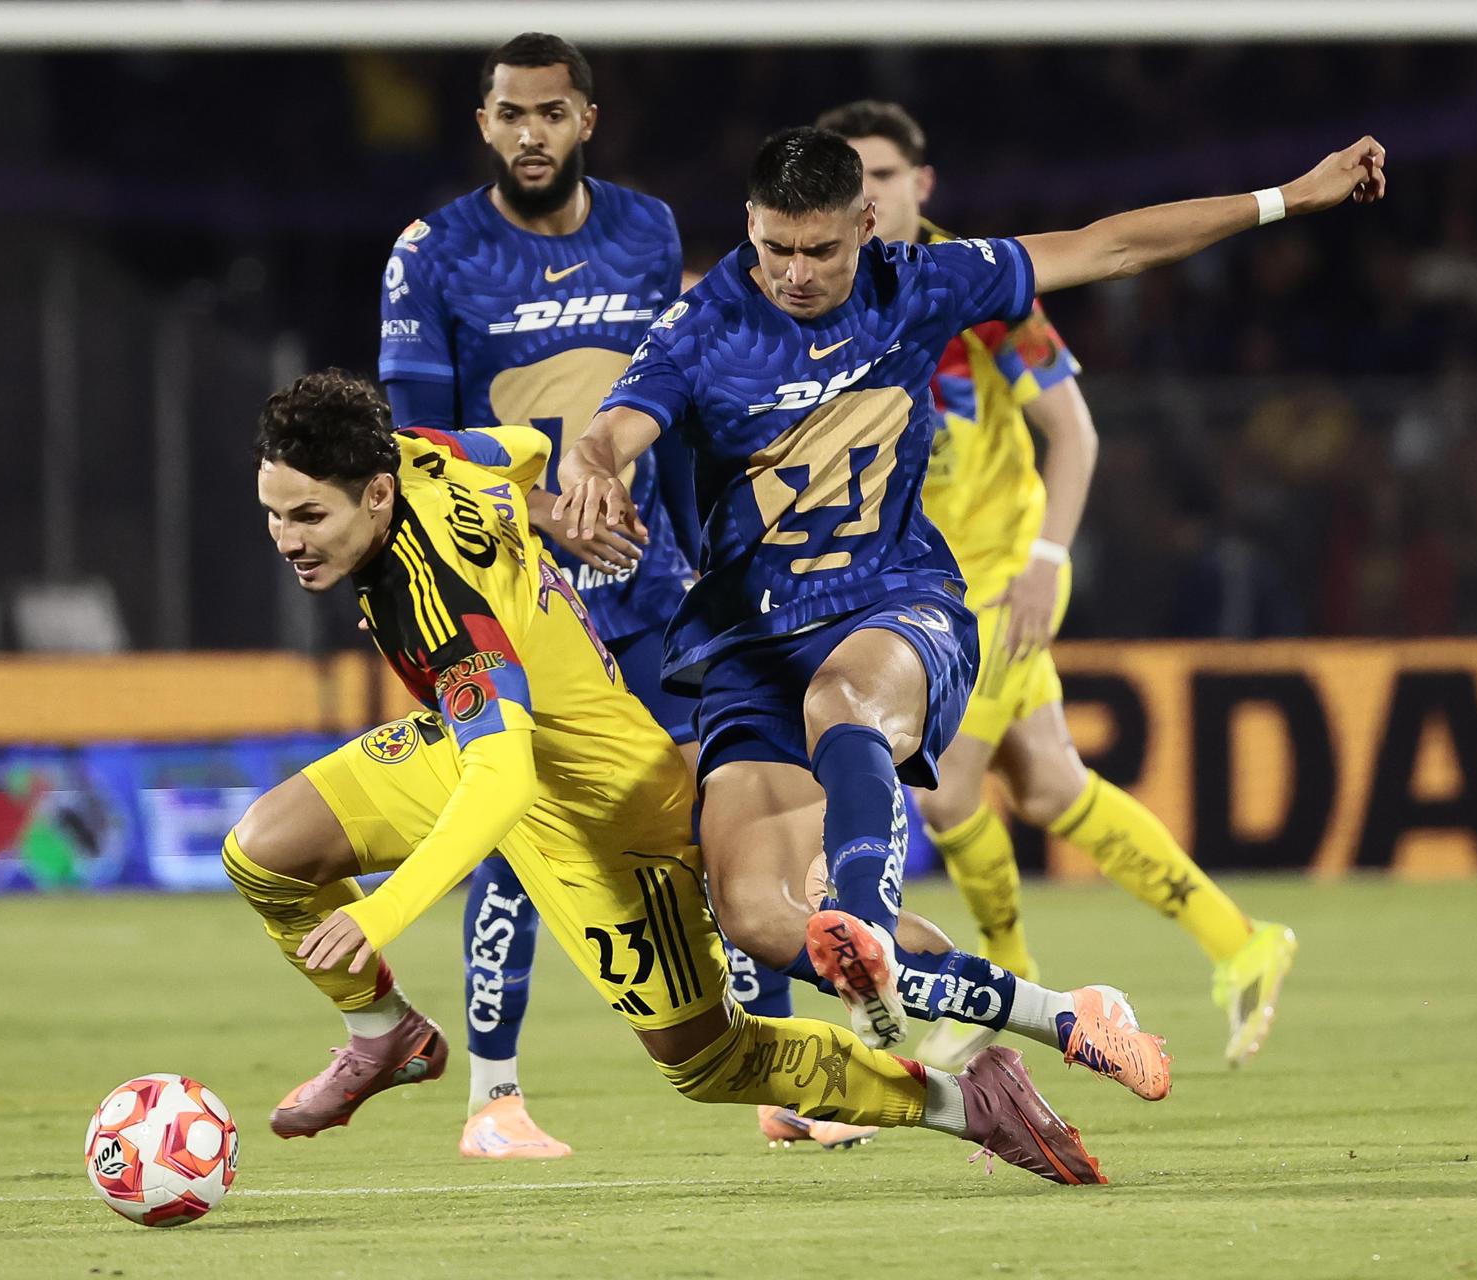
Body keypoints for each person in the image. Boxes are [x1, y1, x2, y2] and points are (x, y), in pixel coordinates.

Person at [555, 127, 1383, 1059]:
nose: (795, 272)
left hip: (897, 606)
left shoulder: (926, 282)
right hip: (752, 645)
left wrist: (1286, 198)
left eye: (821, 249)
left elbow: (1107, 245)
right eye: (775, 247)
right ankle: (1049, 1015)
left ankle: (864, 929)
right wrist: (591, 470)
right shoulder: (700, 327)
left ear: (865, 223)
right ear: (750, 223)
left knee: (848, 701)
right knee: (754, 912)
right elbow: (611, 430)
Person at [221, 368, 1109, 1186]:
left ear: (376, 495)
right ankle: (387, 1035)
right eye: (272, 513)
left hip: (605, 813)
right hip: (479, 745)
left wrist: (382, 910)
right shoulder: (425, 452)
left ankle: (970, 1101)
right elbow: (521, 447)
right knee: (262, 853)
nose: (283, 540)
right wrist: (551, 509)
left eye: (308, 518)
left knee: (711, 1060)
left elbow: (502, 782)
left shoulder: (436, 597)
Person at [814, 99, 1298, 1070]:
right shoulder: (831, 295)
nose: (867, 196)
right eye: (849, 180)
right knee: (1048, 782)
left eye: (882, 176)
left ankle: (1004, 984)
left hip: (995, 581)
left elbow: (1073, 431)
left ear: (922, 184)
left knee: (947, 792)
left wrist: (1047, 561)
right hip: (917, 585)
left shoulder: (979, 288)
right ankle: (1239, 939)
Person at [377, 32, 739, 1156]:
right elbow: (411, 440)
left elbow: (666, 401)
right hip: (512, 580)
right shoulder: (431, 254)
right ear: (481, 124)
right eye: (509, 115)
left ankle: (771, 1068)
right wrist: (543, 507)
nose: (530, 133)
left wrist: (705, 550)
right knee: (516, 825)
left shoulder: (650, 230)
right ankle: (494, 1096)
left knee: (718, 806)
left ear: (588, 117)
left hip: (646, 575)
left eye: (550, 113)